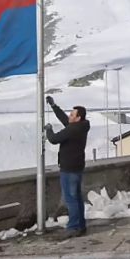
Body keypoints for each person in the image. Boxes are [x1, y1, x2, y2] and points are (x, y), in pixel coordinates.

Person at [44, 96, 90, 238]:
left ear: (78, 118)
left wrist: (48, 130)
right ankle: (80, 226)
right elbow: (65, 120)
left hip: (69, 168)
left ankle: (73, 227)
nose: (69, 116)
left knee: (71, 199)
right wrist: (54, 106)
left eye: (72, 115)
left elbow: (54, 139)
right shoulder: (80, 126)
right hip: (77, 167)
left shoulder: (73, 130)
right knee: (76, 198)